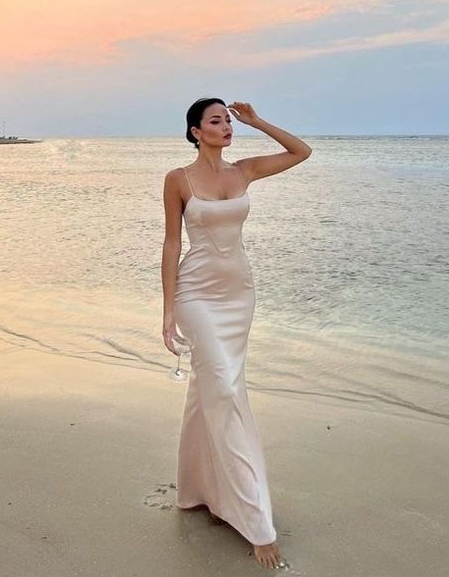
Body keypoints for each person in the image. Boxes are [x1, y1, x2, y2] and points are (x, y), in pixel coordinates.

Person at [161, 98, 312, 570]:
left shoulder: (243, 171)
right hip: (196, 294)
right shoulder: (178, 179)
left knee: (212, 390)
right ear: (194, 131)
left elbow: (301, 151)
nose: (226, 127)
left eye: (228, 120)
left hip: (239, 294)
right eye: (217, 121)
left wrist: (258, 120)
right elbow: (171, 242)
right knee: (223, 390)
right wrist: (168, 311)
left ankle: (197, 491)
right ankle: (254, 520)